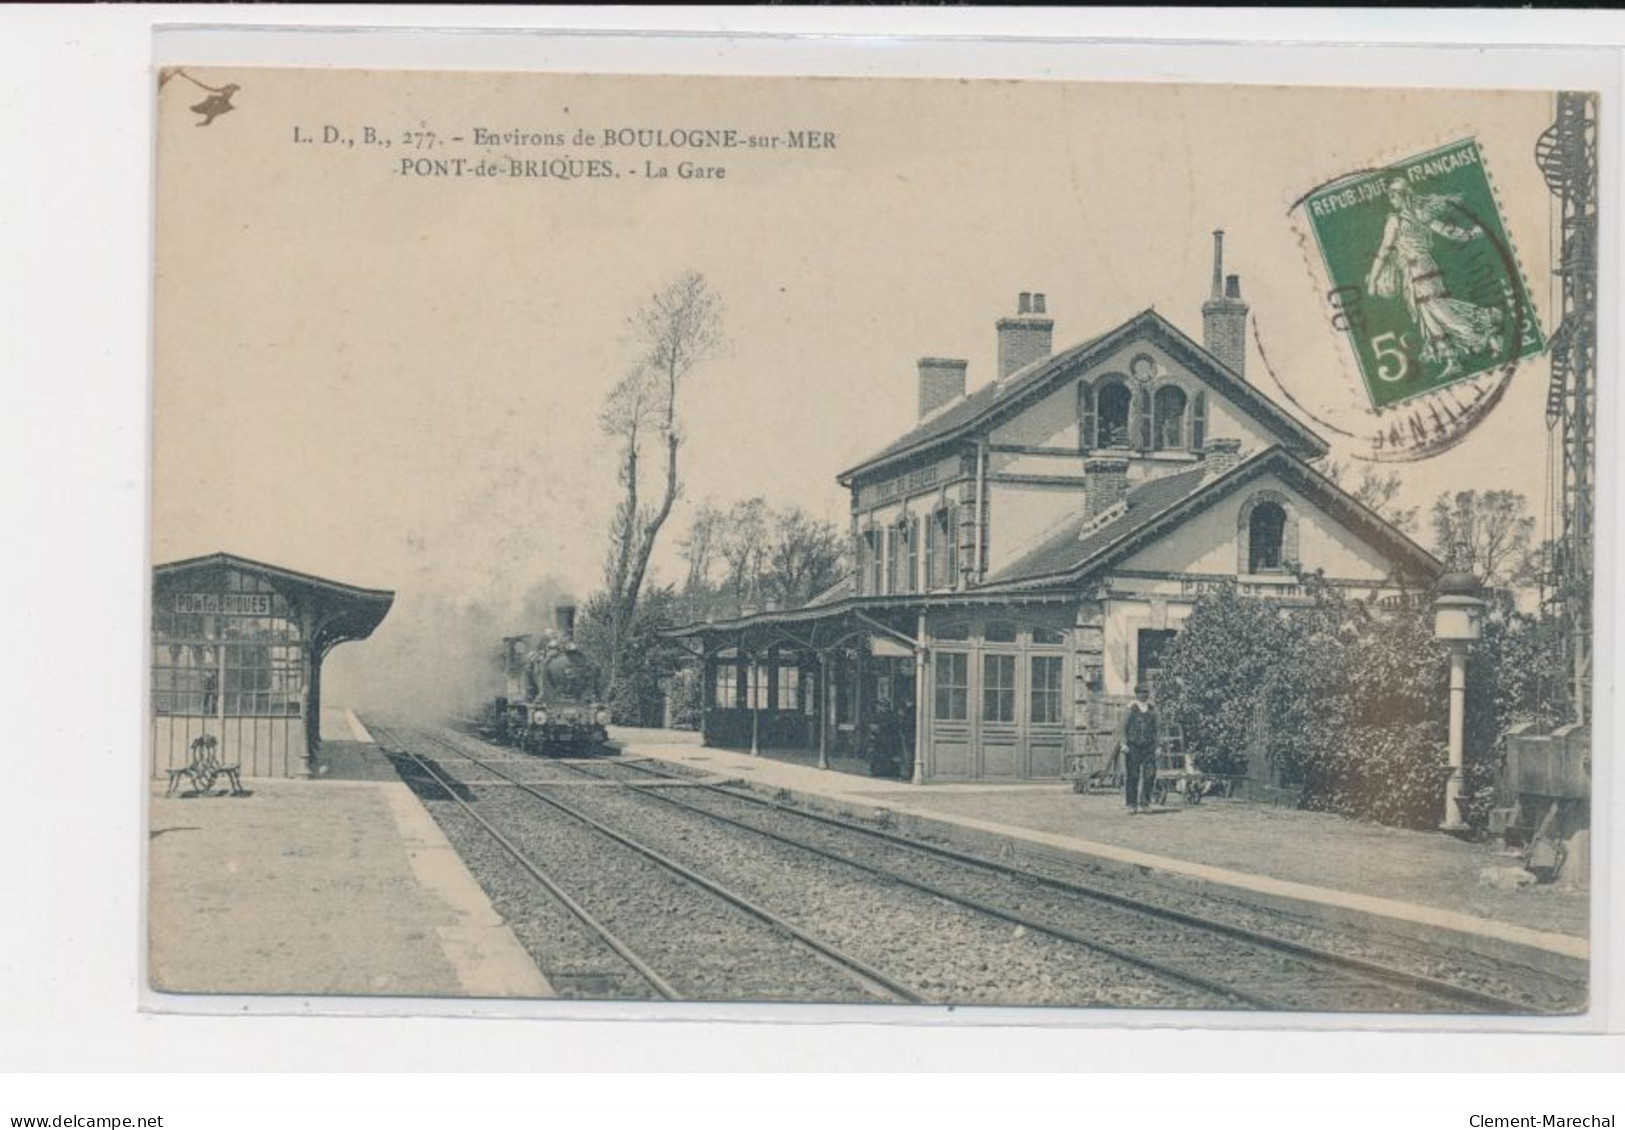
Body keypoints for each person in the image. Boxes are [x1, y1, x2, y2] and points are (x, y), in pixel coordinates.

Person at [1365, 177, 1505, 381]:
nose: (1391, 198)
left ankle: (1486, 335)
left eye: (1394, 195)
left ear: (1403, 196)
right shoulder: (1419, 215)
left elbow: (1384, 251)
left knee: (1438, 309)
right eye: (1390, 195)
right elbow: (1448, 231)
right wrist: (1469, 235)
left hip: (1418, 269)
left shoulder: (1395, 221)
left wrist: (1372, 280)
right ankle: (1452, 359)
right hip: (1423, 267)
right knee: (1428, 315)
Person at [1118, 683, 1160, 814]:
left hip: (1149, 747)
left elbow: (1157, 730)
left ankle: (1145, 803)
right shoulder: (1130, 708)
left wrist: (1158, 746)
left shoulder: (1152, 709)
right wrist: (1123, 744)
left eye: (1146, 693)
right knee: (1133, 775)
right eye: (1141, 693)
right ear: (1136, 694)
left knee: (1150, 775)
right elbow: (1122, 727)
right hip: (1133, 747)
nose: (1144, 696)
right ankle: (1131, 804)